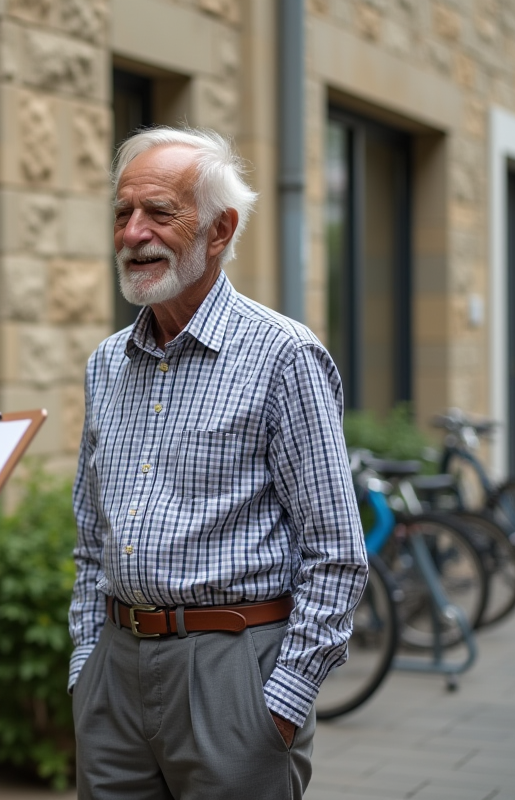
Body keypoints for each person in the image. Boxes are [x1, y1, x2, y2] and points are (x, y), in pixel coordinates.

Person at [69, 126, 368, 800]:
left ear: (219, 229)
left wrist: (281, 704)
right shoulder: (106, 364)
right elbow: (92, 541)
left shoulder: (284, 356)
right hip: (114, 678)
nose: (132, 232)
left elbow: (336, 552)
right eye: (122, 212)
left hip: (234, 675)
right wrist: (87, 669)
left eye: (159, 212)